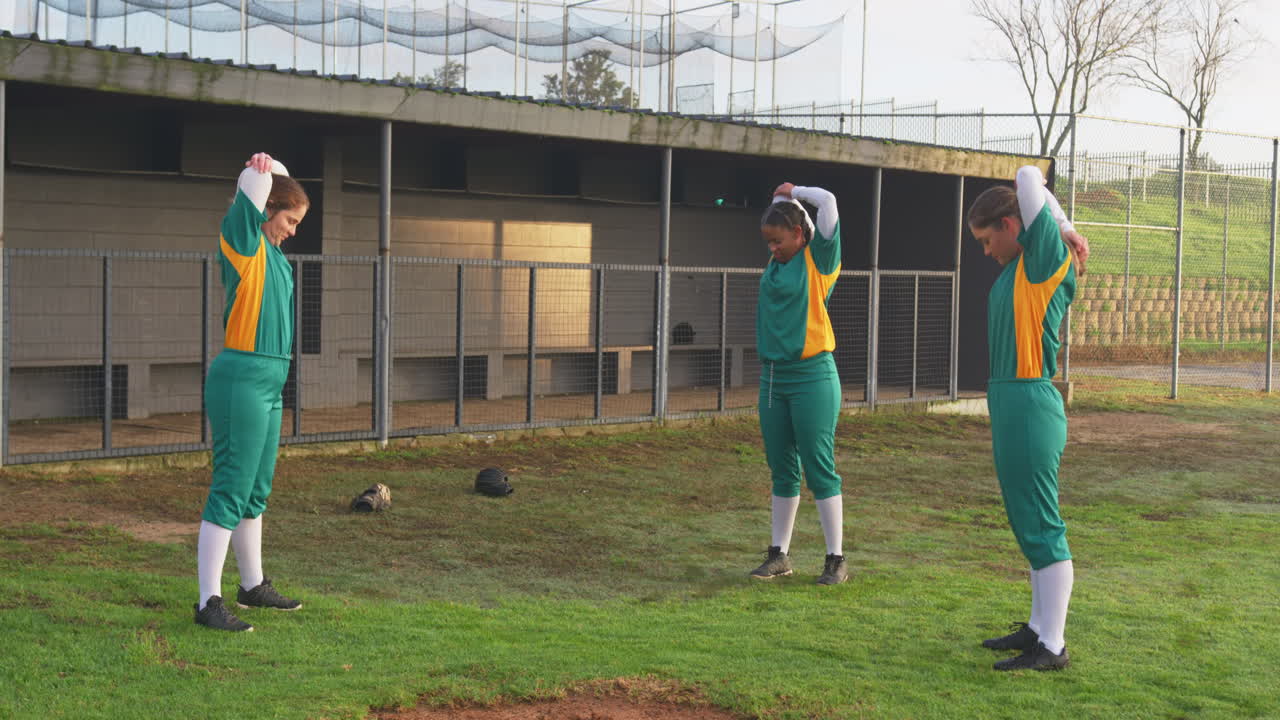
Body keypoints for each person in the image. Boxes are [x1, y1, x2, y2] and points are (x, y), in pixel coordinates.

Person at [968, 165, 1090, 670]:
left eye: (985, 238)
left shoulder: (1043, 258)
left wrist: (1062, 224)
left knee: (1042, 524)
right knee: (1026, 522)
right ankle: (1039, 628)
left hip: (1030, 403)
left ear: (1011, 225)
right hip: (1012, 401)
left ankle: (1053, 646)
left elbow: (1026, 176)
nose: (985, 250)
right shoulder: (1019, 268)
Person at [194, 152, 309, 632]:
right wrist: (266, 164)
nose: (293, 229)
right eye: (289, 219)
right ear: (266, 211)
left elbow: (267, 188)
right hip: (241, 377)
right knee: (230, 488)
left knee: (256, 490)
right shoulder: (243, 242)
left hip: (271, 381)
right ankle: (208, 602)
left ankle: (251, 585)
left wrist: (279, 171)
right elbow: (252, 185)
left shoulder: (278, 261)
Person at [748, 183, 848, 586]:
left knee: (819, 466)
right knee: (781, 468)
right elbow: (782, 217)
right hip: (774, 377)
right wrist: (780, 201)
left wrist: (796, 191)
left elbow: (828, 202)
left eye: (778, 241)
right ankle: (779, 555)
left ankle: (835, 559)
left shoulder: (818, 260)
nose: (772, 248)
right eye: (768, 243)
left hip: (813, 376)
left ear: (800, 235)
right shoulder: (777, 263)